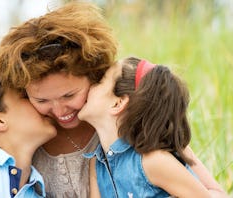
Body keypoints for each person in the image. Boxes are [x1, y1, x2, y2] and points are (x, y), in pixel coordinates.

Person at [0, 2, 227, 197]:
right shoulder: (28, 134)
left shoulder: (137, 127)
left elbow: (213, 192)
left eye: (69, 95)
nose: (60, 109)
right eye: (41, 100)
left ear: (94, 76)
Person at [79, 57, 215, 197]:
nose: (91, 86)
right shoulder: (97, 163)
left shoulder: (152, 161)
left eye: (100, 82)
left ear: (118, 103)